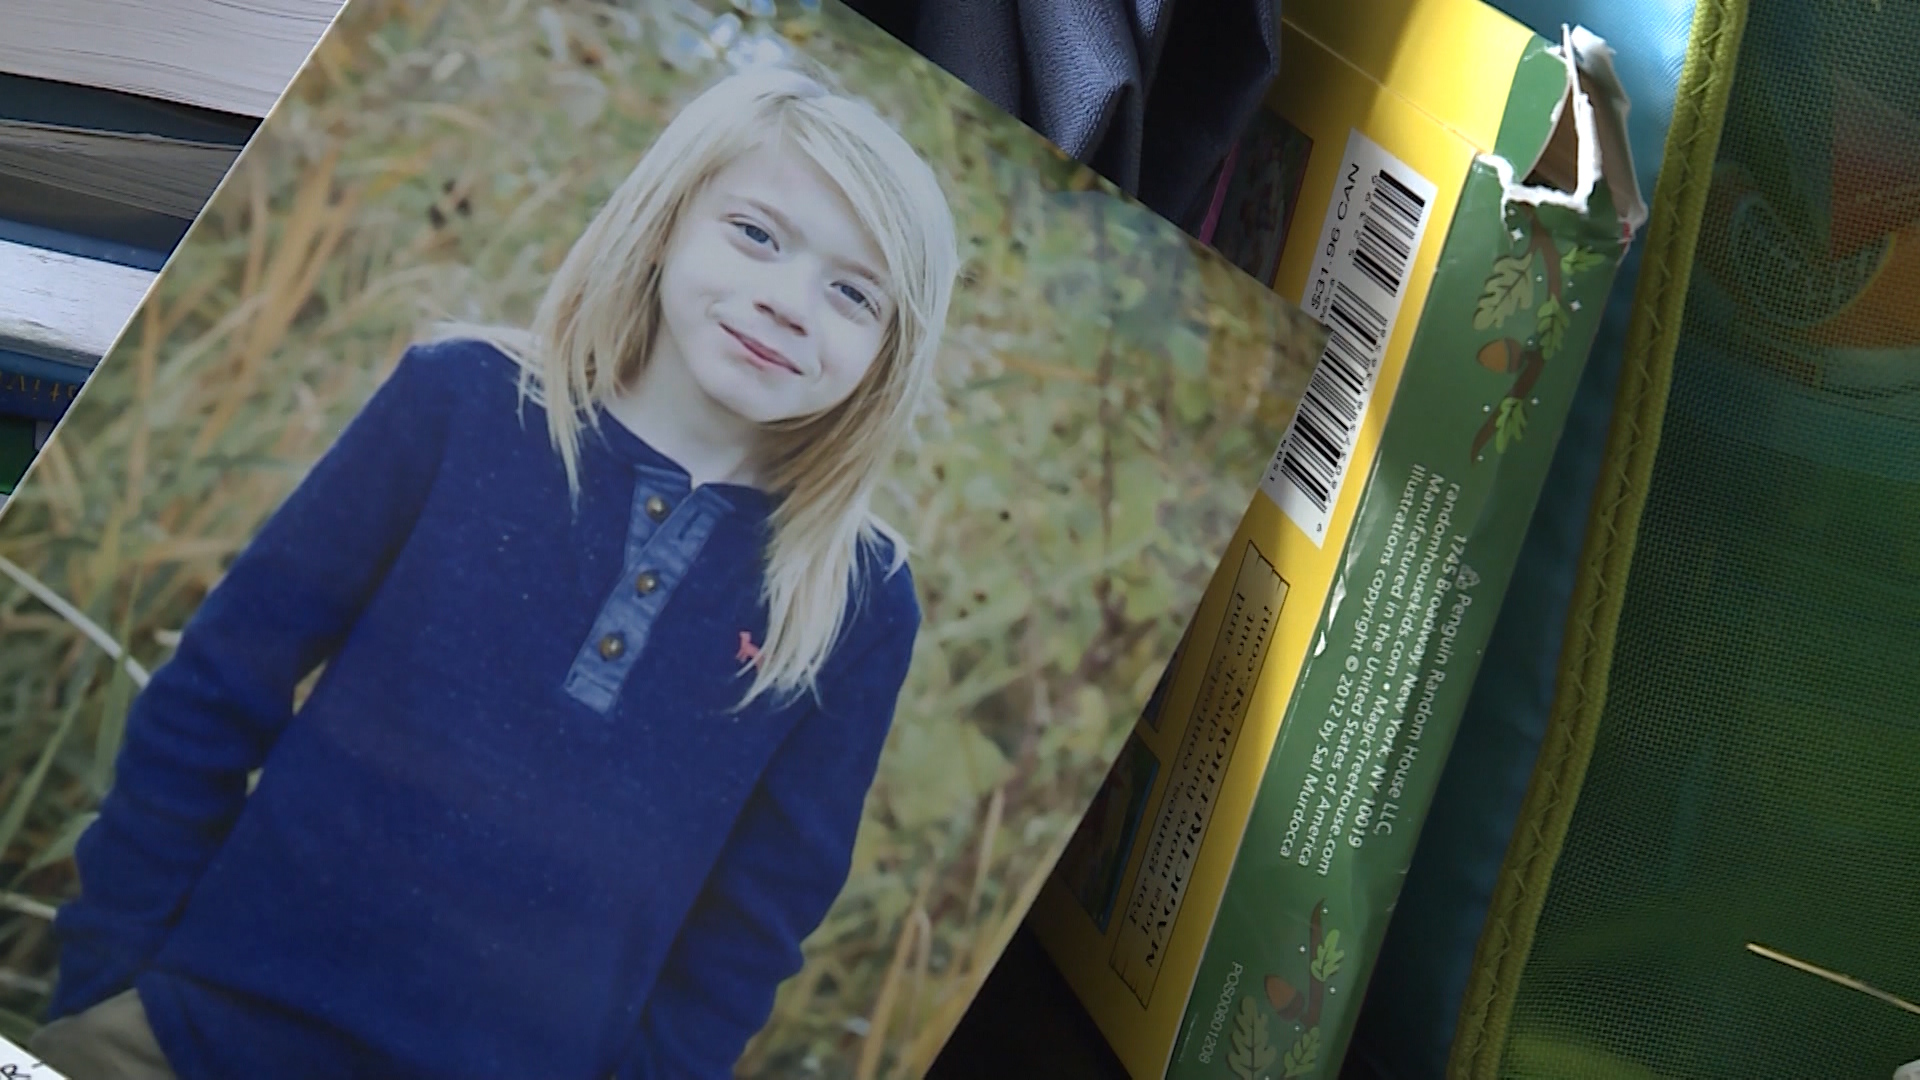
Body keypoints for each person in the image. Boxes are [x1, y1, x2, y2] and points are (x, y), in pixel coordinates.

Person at [32, 61, 960, 1080]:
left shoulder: (856, 599)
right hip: (196, 1033)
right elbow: (217, 687)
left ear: (890, 351)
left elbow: (751, 930)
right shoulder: (465, 403)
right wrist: (110, 972)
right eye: (758, 235)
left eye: (851, 293)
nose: (789, 303)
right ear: (666, 223)